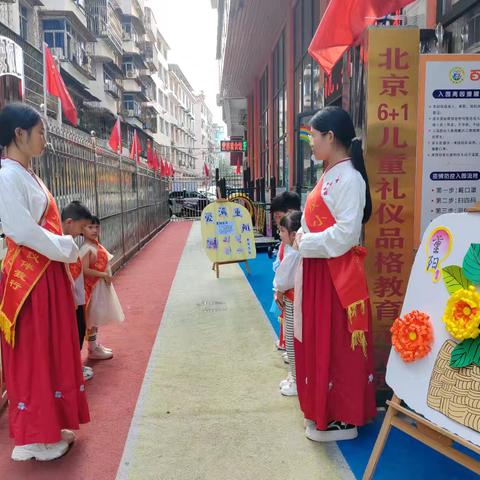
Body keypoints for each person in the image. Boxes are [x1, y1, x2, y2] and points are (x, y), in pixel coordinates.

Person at [0, 103, 89, 461]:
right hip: (30, 283)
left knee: (49, 349)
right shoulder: (6, 177)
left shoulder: (26, 174)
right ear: (19, 135)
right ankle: (34, 435)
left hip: (45, 276)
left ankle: (49, 426)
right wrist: (67, 248)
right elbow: (22, 231)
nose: (46, 141)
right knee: (34, 353)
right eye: (41, 133)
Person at [294, 106, 376, 442]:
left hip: (336, 278)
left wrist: (305, 241)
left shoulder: (350, 178)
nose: (310, 143)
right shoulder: (329, 174)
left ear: (330, 137)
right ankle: (323, 409)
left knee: (338, 344)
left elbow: (345, 234)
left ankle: (343, 416)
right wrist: (303, 238)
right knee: (319, 339)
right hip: (319, 271)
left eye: (313, 136)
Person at [81, 216, 124, 360]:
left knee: (96, 317)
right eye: (90, 227)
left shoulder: (96, 245)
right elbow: (84, 270)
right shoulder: (86, 248)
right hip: (92, 289)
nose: (94, 230)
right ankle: (92, 349)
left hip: (99, 287)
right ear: (82, 230)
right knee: (92, 319)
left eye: (96, 227)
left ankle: (95, 345)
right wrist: (103, 274)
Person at [61, 201, 94, 381]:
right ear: (69, 222)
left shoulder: (68, 241)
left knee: (79, 331)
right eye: (81, 227)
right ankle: (72, 370)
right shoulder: (59, 244)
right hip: (71, 300)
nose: (82, 232)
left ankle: (75, 366)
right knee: (73, 334)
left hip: (78, 297)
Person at [274, 211, 302, 397]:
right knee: (292, 340)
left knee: (293, 342)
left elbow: (283, 281)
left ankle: (297, 380)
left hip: (293, 301)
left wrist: (279, 290)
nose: (279, 233)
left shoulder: (294, 254)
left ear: (293, 234)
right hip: (292, 301)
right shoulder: (293, 251)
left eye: (282, 230)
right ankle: (294, 376)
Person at [270, 191, 301, 353]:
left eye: (278, 216)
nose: (276, 222)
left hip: (290, 292)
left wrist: (279, 289)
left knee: (292, 327)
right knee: (287, 323)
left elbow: (287, 269)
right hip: (286, 291)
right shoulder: (288, 240)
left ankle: (291, 354)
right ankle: (286, 345)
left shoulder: (295, 246)